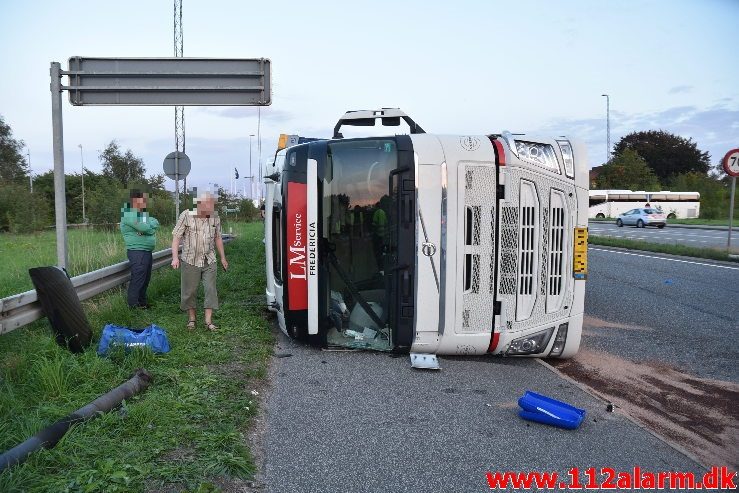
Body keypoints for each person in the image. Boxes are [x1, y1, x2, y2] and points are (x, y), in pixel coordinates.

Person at [171, 191, 228, 330]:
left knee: (210, 289)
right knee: (190, 290)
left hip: (209, 259)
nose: (211, 209)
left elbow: (218, 237)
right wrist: (175, 257)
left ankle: (208, 321)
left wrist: (223, 258)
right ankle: (192, 319)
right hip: (190, 259)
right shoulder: (186, 215)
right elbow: (176, 237)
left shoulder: (214, 217)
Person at [120, 190, 160, 309]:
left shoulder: (142, 215)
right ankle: (133, 306)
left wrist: (148, 228)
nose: (145, 202)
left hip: (146, 251)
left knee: (145, 279)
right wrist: (147, 228)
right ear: (135, 200)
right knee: (138, 279)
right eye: (143, 199)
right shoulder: (129, 213)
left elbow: (155, 223)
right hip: (137, 251)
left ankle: (142, 303)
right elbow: (144, 227)